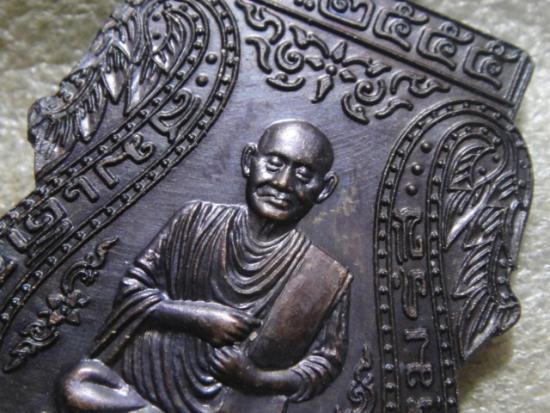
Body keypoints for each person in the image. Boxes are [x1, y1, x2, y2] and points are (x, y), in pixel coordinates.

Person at [61, 120, 352, 413]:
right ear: (249, 161)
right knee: (77, 384)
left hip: (236, 404)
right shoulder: (195, 220)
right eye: (274, 165)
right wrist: (196, 317)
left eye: (303, 175)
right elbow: (131, 290)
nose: (283, 183)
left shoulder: (324, 277)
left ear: (325, 189)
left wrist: (256, 378)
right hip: (147, 382)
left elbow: (325, 362)